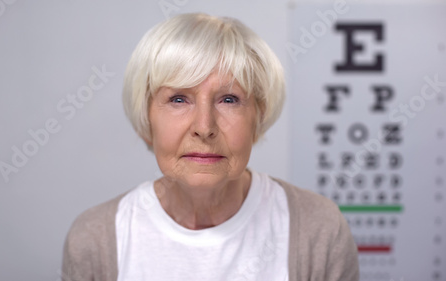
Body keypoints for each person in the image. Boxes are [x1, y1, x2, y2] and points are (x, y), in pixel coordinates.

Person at [62, 13, 359, 281]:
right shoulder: (96, 239)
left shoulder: (317, 229)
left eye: (229, 100)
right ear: (146, 120)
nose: (204, 127)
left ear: (258, 117)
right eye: (178, 99)